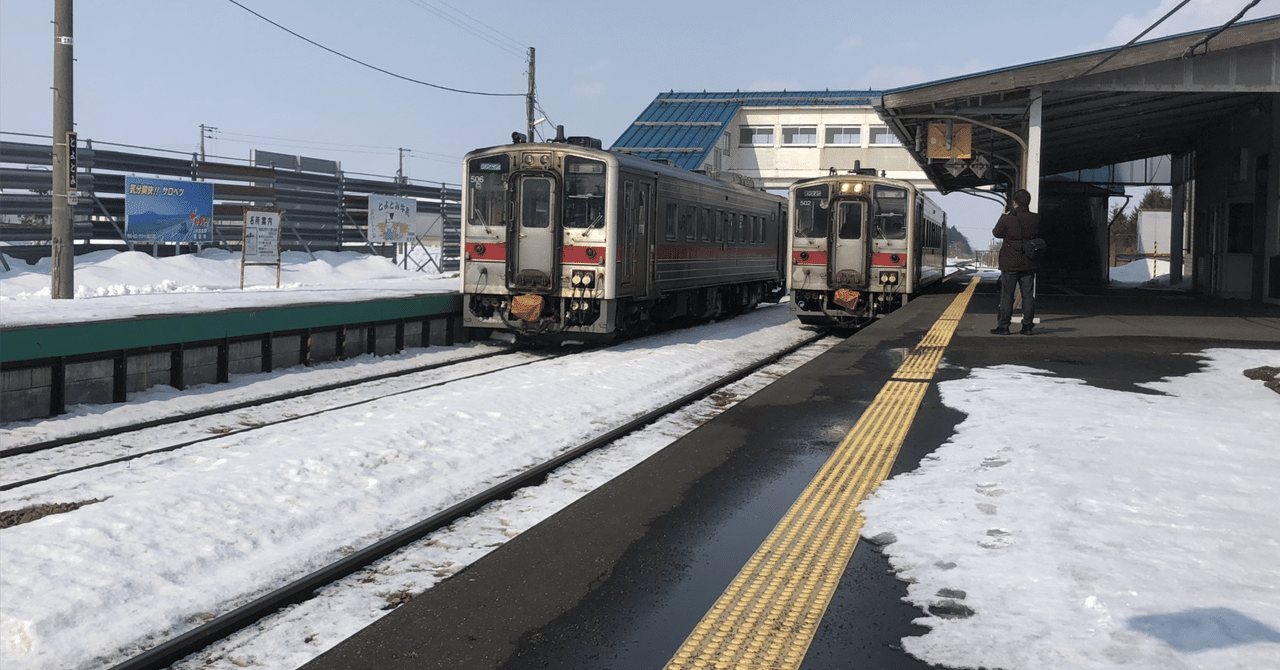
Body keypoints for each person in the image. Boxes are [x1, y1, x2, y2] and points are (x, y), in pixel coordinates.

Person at [990, 189, 1041, 335]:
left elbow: (996, 233)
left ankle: (1004, 326)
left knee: (1007, 294)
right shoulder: (1036, 218)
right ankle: (1027, 327)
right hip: (1029, 261)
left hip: (1010, 262)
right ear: (1028, 202)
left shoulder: (1008, 218)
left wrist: (1002, 216)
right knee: (1028, 294)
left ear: (1015, 203)